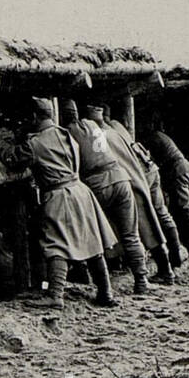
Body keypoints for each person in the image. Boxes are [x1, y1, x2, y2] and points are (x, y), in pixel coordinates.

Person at [0, 97, 117, 310]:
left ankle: (55, 295)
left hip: (59, 194)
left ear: (34, 117)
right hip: (80, 191)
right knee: (92, 243)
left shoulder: (37, 142)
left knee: (56, 243)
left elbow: (12, 158)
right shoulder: (67, 134)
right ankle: (106, 292)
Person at [64, 101, 153, 294]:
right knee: (131, 234)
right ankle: (141, 280)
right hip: (120, 178)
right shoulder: (91, 124)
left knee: (95, 237)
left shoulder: (67, 133)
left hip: (97, 183)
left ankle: (103, 288)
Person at [148, 129, 189, 257]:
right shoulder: (161, 136)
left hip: (179, 171)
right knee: (177, 209)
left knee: (185, 208)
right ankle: (183, 243)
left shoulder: (153, 138)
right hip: (183, 170)